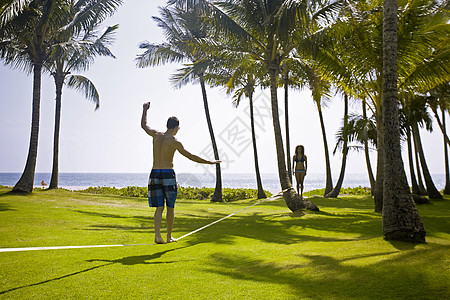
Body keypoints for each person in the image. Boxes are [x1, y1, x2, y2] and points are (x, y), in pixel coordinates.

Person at [141, 102, 220, 244]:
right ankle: (169, 236)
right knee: (170, 206)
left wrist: (145, 109)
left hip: (154, 173)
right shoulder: (174, 141)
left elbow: (144, 125)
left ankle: (157, 236)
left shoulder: (156, 135)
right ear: (176, 127)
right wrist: (210, 162)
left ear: (167, 126)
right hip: (167, 173)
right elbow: (191, 156)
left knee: (159, 207)